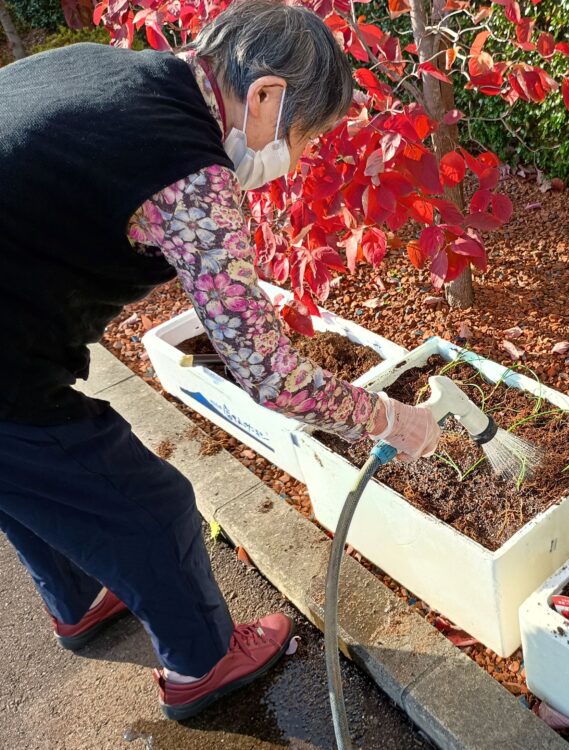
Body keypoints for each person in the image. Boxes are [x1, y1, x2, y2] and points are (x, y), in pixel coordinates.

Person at [0, 0, 440, 721]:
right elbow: (269, 373)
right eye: (303, 138)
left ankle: (79, 599)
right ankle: (201, 665)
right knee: (151, 507)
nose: (294, 163)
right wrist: (390, 418)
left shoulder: (111, 68)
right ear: (265, 95)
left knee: (31, 486)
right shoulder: (188, 177)